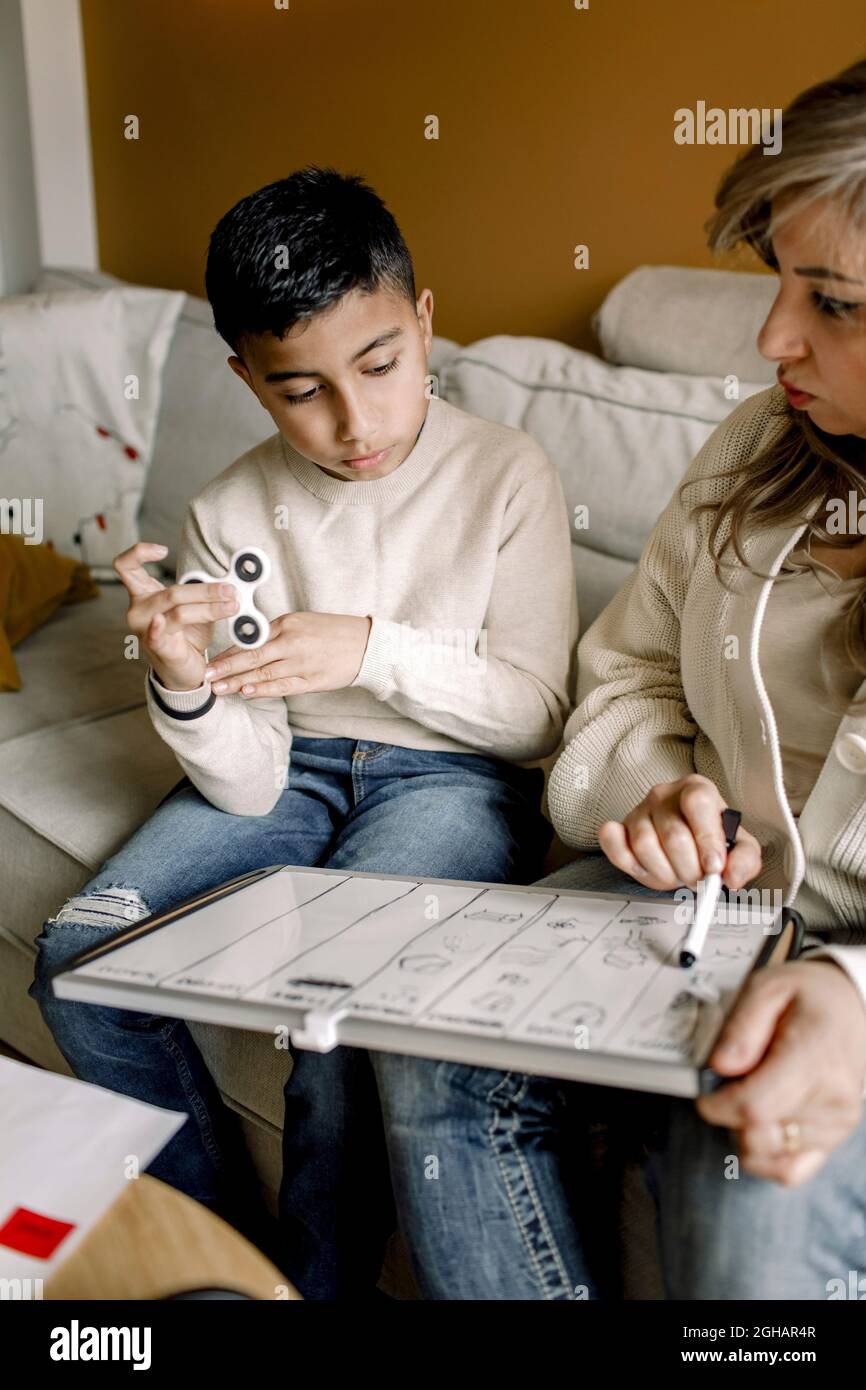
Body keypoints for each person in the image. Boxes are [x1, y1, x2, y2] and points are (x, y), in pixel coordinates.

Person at [28, 166, 578, 1300]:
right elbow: (246, 786)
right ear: (245, 380)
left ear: (423, 320)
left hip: (448, 777)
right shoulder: (227, 512)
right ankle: (230, 1260)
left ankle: (321, 1284)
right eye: (300, 391)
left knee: (331, 1021)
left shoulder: (507, 474)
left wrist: (367, 649)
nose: (354, 421)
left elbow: (535, 712)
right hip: (293, 772)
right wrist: (185, 686)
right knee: (80, 956)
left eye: (378, 366)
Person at [368, 58, 866, 1300]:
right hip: (710, 907)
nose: (770, 339)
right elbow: (635, 666)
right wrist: (653, 793)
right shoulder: (756, 445)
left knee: (745, 1185)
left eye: (835, 303)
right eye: (777, 281)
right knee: (435, 1034)